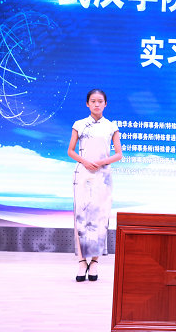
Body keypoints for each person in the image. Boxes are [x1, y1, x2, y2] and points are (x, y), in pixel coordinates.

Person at [67, 89, 122, 282]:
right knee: (81, 218)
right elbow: (70, 151)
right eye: (93, 101)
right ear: (87, 104)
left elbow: (119, 154)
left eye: (100, 101)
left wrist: (100, 162)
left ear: (105, 104)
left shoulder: (111, 126)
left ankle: (95, 261)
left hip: (103, 175)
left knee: (101, 217)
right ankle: (82, 261)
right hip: (83, 174)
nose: (97, 104)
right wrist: (85, 161)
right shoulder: (79, 124)